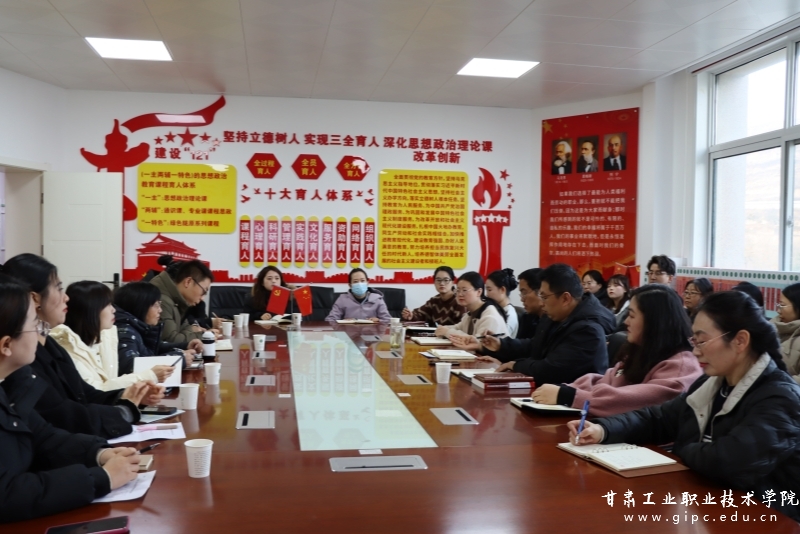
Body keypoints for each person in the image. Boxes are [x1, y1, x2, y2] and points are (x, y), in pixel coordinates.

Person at [569, 291, 800, 522]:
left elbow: (730, 462)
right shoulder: (711, 382)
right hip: (709, 504)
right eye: (694, 341)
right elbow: (658, 418)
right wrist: (603, 429)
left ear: (740, 341)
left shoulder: (781, 397)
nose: (696, 351)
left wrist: (681, 450)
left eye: (702, 341)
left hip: (766, 517)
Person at [0, 275, 142, 523]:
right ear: (6, 345)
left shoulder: (12, 384)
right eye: (34, 325)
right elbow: (7, 494)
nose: (40, 334)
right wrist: (103, 478)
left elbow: (44, 437)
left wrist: (99, 454)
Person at [1, 254, 161, 439]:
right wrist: (124, 411)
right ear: (34, 299)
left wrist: (130, 396)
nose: (66, 297)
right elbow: (62, 416)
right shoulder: (23, 358)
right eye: (59, 288)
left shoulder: (50, 343)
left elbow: (85, 393)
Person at [531, 285, 701, 416]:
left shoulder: (681, 366)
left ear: (655, 322)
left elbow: (632, 401)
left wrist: (569, 396)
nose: (626, 322)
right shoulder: (641, 351)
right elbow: (608, 381)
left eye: (632, 316)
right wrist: (567, 389)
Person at [477, 264, 615, 384]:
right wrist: (501, 345)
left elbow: (552, 370)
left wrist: (515, 365)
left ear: (565, 299)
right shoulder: (556, 316)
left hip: (570, 401)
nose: (542, 303)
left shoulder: (588, 329)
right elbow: (535, 345)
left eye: (544, 297)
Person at [49, 281, 177, 391]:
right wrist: (150, 375)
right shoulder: (67, 347)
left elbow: (111, 383)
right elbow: (97, 391)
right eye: (108, 305)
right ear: (92, 310)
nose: (114, 310)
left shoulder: (106, 335)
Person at [114, 282, 201, 375]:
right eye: (156, 305)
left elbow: (156, 347)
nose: (160, 310)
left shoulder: (136, 327)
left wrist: (186, 346)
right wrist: (180, 359)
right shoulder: (125, 331)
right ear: (141, 306)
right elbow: (131, 367)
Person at [150, 259, 220, 343]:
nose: (202, 298)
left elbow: (186, 327)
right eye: (203, 291)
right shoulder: (162, 299)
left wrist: (188, 332)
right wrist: (205, 336)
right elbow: (171, 340)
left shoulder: (177, 298)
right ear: (188, 282)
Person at [435, 271, 509, 341]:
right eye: (458, 290)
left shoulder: (489, 317)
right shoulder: (470, 314)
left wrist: (447, 332)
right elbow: (458, 327)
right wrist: (442, 329)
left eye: (464, 290)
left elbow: (477, 342)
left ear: (479, 292)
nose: (460, 294)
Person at [401, 266, 465, 326]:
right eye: (438, 280)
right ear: (434, 282)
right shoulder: (434, 301)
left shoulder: (459, 301)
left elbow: (460, 326)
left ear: (453, 282)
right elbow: (420, 314)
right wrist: (411, 315)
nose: (442, 283)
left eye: (446, 280)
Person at [326, 268, 392, 323]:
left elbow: (388, 320)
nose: (359, 284)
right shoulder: (342, 299)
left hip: (372, 333)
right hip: (349, 333)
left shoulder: (378, 299)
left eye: (362, 281)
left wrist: (379, 320)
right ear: (350, 285)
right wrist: (343, 322)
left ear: (367, 282)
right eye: (355, 281)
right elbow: (330, 320)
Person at [773, 282, 800, 384]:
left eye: (782, 305)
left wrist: (776, 384)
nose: (778, 310)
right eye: (779, 305)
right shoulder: (771, 328)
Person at [484, 268, 519, 338]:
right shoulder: (493, 310)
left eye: (489, 290)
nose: (487, 294)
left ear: (502, 290)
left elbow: (501, 338)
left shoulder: (510, 315)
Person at [516, 268, 545, 339]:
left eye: (524, 293)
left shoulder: (554, 322)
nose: (522, 299)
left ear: (540, 292)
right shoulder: (526, 319)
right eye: (521, 294)